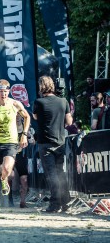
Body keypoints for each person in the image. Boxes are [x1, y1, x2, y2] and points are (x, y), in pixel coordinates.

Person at [0, 79, 30, 213]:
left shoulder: (15, 103)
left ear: (8, 91)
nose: (3, 94)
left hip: (10, 141)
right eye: (1, 91)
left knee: (7, 169)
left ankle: (4, 179)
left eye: (5, 91)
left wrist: (24, 134)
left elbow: (27, 117)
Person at [33, 76, 73, 213]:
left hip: (45, 142)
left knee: (51, 174)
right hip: (60, 141)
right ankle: (66, 202)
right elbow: (69, 122)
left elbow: (36, 117)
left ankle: (55, 204)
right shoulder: (63, 101)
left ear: (41, 86)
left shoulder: (39, 102)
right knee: (60, 172)